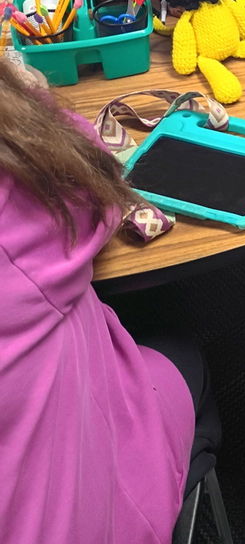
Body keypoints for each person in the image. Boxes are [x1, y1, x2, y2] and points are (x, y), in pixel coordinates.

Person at [0, 59, 200, 544]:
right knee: (180, 340)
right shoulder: (25, 209)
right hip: (88, 513)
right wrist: (30, 107)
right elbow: (85, 171)